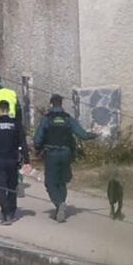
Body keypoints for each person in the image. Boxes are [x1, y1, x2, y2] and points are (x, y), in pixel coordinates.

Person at [34, 93, 93, 222]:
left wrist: (37, 148)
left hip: (51, 154)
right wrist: (95, 134)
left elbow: (38, 139)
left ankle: (59, 203)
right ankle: (61, 203)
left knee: (50, 182)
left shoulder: (46, 119)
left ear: (51, 104)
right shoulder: (68, 118)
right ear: (61, 104)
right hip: (66, 153)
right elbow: (82, 134)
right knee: (62, 181)